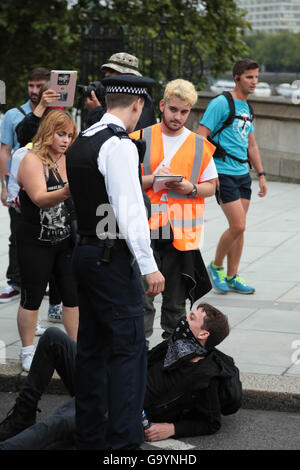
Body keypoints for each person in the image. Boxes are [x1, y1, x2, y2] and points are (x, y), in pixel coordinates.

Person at [66, 74, 165, 450]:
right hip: (110, 257)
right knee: (127, 352)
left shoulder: (84, 140)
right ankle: (123, 447)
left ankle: (90, 438)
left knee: (91, 349)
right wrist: (148, 264)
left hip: (85, 253)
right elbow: (129, 211)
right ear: (138, 105)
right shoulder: (119, 145)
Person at [0, 303, 242, 450]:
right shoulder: (173, 346)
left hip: (119, 411)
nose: (184, 319)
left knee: (57, 423)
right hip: (108, 382)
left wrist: (172, 428)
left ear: (203, 333)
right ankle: (22, 415)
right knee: (54, 337)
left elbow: (211, 422)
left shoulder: (205, 376)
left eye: (191, 318)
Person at [130, 78, 218, 343]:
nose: (178, 116)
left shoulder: (199, 145)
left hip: (181, 234)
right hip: (146, 229)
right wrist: (154, 178)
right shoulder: (139, 138)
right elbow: (122, 181)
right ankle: (139, 356)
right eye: (173, 110)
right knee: (143, 299)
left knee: (175, 305)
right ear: (162, 106)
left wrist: (191, 187)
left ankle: (170, 360)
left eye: (184, 111)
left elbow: (212, 187)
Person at [16, 109, 79, 372]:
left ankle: (75, 347)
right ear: (48, 132)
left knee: (72, 296)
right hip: (35, 240)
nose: (65, 140)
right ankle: (28, 350)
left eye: (70, 135)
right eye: (60, 133)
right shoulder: (32, 159)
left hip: (65, 241)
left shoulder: (71, 159)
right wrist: (69, 189)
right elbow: (40, 198)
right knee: (32, 295)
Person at [197, 59, 267, 295]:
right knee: (238, 225)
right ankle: (216, 266)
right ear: (237, 77)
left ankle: (232, 275)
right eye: (249, 77)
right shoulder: (221, 103)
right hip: (223, 172)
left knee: (239, 228)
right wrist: (208, 172)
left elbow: (252, 146)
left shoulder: (247, 107)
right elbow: (201, 136)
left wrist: (262, 174)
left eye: (256, 77)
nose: (254, 81)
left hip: (242, 174)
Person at [14, 83, 65, 323]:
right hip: (34, 222)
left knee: (68, 287)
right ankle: (27, 348)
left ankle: (56, 304)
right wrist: (42, 106)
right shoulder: (31, 152)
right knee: (32, 289)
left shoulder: (67, 141)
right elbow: (23, 136)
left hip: (63, 230)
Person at [0, 67, 50, 305]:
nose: (34, 90)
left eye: (39, 86)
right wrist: (3, 184)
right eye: (31, 85)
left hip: (48, 185)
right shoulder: (13, 114)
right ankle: (15, 282)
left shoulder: (56, 113)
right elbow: (5, 150)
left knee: (49, 233)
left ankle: (46, 281)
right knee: (18, 235)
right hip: (19, 186)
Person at [85, 51, 157, 130]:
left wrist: (96, 111)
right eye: (106, 71)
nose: (107, 74)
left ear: (127, 74)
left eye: (112, 70)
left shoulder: (141, 99)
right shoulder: (113, 92)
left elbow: (123, 130)